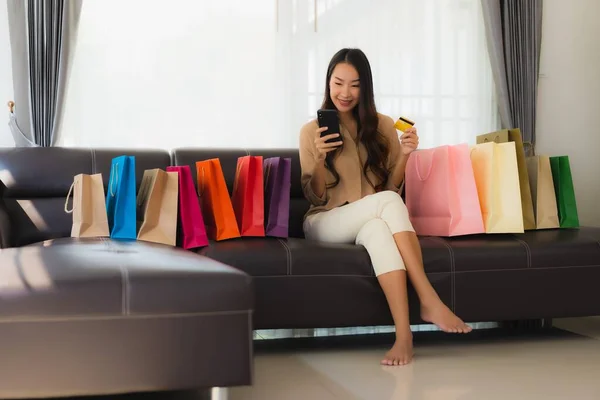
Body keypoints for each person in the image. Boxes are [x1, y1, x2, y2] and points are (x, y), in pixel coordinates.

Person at [298, 48, 472, 367]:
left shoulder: (383, 126)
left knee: (380, 228)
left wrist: (405, 154)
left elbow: (390, 189)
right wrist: (320, 159)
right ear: (328, 84)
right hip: (324, 221)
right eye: (338, 83)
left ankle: (403, 337)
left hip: (370, 215)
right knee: (386, 206)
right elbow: (315, 198)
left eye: (354, 84)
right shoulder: (312, 132)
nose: (345, 93)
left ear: (366, 87)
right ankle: (429, 298)